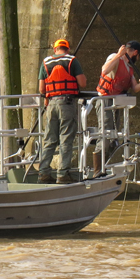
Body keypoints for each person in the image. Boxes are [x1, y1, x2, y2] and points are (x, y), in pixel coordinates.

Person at [94, 41, 140, 175]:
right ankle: (97, 170)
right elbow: (105, 70)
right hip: (105, 101)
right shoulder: (115, 57)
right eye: (139, 56)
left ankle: (104, 166)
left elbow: (134, 87)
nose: (138, 59)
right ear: (135, 53)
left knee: (114, 137)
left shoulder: (129, 68)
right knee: (105, 133)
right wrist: (119, 54)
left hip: (117, 103)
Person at [37, 38, 87, 184]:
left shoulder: (45, 62)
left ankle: (43, 173)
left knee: (50, 139)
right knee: (66, 139)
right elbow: (82, 83)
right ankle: (62, 174)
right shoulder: (72, 61)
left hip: (51, 104)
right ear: (68, 49)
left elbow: (41, 89)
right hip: (67, 103)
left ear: (55, 49)